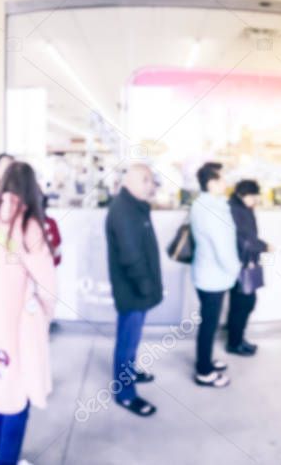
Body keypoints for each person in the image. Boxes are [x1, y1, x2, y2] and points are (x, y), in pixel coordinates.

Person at [0, 162, 57, 465]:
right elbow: (47, 283)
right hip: (20, 327)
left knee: (2, 386)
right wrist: (45, 314)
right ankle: (5, 460)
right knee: (19, 398)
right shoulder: (28, 226)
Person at [105, 164, 163, 417]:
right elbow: (130, 255)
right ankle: (125, 393)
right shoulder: (124, 210)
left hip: (138, 287)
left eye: (151, 180)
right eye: (145, 180)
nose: (150, 185)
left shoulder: (134, 206)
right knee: (127, 342)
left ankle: (129, 372)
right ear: (128, 181)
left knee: (133, 337)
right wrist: (146, 285)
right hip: (132, 289)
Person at [190, 162, 241, 388]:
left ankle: (206, 360)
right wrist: (236, 269)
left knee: (209, 322)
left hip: (210, 274)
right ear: (211, 183)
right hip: (213, 276)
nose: (225, 183)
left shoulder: (209, 204)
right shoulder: (211, 210)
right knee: (209, 324)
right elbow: (222, 247)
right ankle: (204, 371)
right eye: (221, 179)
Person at [225, 179, 271, 357]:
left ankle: (237, 339)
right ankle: (234, 343)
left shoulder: (242, 208)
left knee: (242, 303)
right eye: (253, 197)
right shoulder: (237, 210)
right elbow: (244, 240)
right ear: (241, 195)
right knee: (243, 303)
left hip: (244, 261)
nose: (255, 200)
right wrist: (263, 246)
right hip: (240, 263)